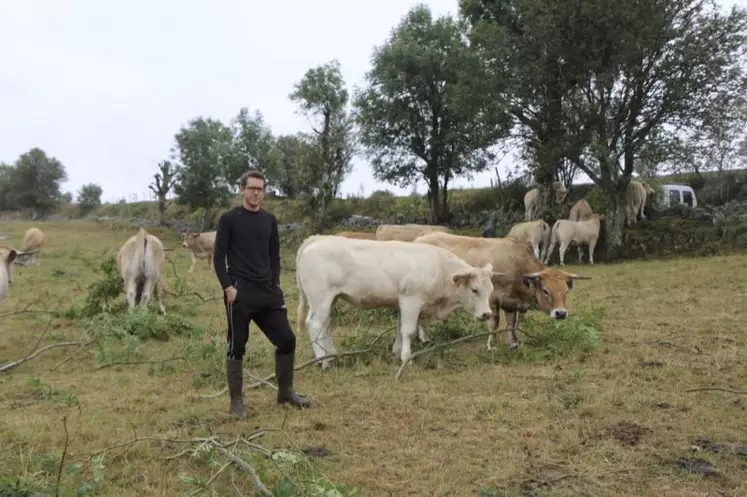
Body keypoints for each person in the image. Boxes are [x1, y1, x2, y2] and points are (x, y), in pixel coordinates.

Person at [213, 170, 310, 419]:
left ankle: (286, 392)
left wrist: (275, 286)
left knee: (287, 340)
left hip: (267, 293)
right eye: (251, 188)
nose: (256, 193)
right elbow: (218, 257)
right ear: (242, 189)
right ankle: (236, 402)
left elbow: (274, 257)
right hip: (240, 294)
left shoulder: (269, 220)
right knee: (237, 346)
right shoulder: (229, 219)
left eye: (260, 189)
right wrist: (229, 288)